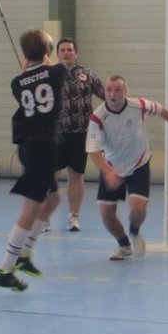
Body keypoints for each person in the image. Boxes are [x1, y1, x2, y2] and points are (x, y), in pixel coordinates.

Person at [87, 75, 168, 260]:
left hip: (138, 164)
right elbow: (93, 151)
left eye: (117, 90)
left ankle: (134, 232)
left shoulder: (139, 105)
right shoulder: (97, 117)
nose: (112, 94)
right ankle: (124, 245)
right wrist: (108, 172)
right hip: (112, 166)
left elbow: (162, 111)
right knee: (106, 215)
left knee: (138, 210)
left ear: (125, 91)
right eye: (109, 90)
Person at [0, 29, 66, 292]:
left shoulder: (17, 83)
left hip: (34, 146)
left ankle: (24, 255)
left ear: (24, 54)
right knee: (30, 209)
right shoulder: (57, 72)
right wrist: (45, 56)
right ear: (48, 51)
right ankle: (5, 269)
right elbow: (48, 71)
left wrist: (34, 61)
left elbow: (30, 77)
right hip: (40, 146)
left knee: (53, 199)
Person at [54, 38, 104, 232]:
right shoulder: (51, 75)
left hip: (81, 132)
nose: (66, 53)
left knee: (76, 175)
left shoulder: (88, 74)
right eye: (62, 50)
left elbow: (106, 95)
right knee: (50, 175)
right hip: (57, 133)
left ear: (76, 53)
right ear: (57, 54)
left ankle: (73, 217)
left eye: (70, 50)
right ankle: (45, 217)